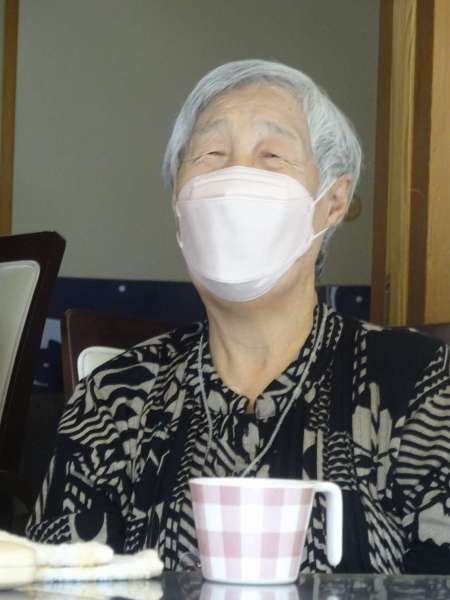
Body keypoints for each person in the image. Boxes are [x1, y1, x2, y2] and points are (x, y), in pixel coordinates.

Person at [26, 60, 450, 574]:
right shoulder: (113, 397)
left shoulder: (421, 383)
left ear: (332, 203)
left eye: (271, 155)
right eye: (211, 154)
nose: (235, 179)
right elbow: (56, 580)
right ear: (177, 202)